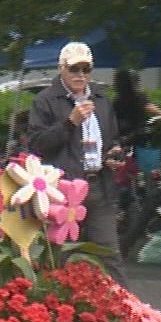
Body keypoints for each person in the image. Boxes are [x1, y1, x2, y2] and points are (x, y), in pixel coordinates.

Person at [27, 41, 128, 284]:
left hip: (98, 187)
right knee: (61, 257)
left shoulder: (102, 99)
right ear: (61, 68)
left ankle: (128, 313)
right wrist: (69, 122)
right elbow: (37, 144)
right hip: (64, 192)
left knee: (110, 255)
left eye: (86, 69)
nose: (81, 75)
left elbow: (112, 138)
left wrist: (114, 153)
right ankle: (58, 312)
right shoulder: (45, 101)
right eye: (74, 69)